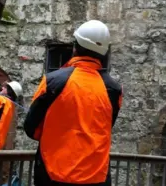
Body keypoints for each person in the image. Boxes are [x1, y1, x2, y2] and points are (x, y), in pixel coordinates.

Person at [23, 20, 124, 186]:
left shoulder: (52, 81)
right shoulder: (114, 89)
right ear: (104, 52)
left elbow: (31, 128)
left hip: (54, 175)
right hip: (96, 178)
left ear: (75, 47)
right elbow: (105, 126)